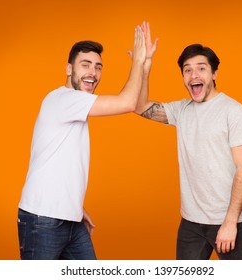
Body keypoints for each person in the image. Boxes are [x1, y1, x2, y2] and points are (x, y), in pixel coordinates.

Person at [17, 25, 146, 260]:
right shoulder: (65, 99)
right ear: (68, 69)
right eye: (85, 65)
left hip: (70, 218)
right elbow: (127, 103)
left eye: (98, 67)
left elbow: (56, 161)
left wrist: (74, 206)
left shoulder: (72, 104)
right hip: (42, 220)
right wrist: (139, 61)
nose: (93, 73)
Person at [135, 22, 242, 260]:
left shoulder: (234, 111)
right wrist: (145, 64)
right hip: (191, 223)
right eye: (187, 70)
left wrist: (230, 223)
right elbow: (138, 106)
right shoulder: (182, 110)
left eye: (201, 68)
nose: (194, 75)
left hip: (229, 222)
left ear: (214, 74)